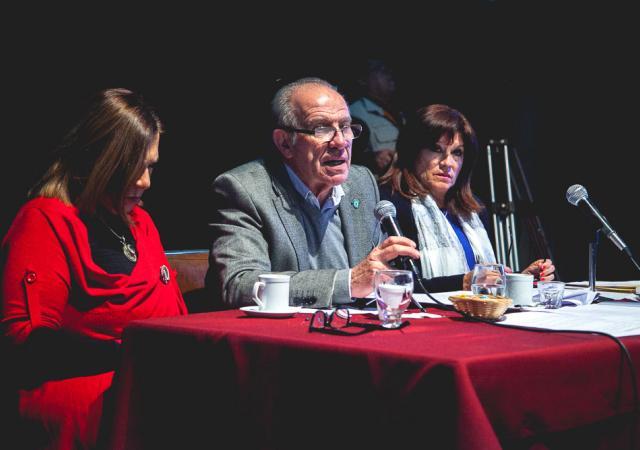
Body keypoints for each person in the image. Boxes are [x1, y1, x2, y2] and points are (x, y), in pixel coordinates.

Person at [0, 88, 187, 449]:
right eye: (132, 166)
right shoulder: (46, 220)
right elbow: (26, 343)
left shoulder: (141, 223)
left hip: (155, 384)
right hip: (94, 403)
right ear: (97, 158)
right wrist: (129, 353)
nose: (145, 181)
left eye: (150, 166)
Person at [207, 77, 420, 309]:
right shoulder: (245, 189)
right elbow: (239, 285)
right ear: (285, 143)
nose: (340, 142)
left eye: (345, 127)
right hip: (286, 330)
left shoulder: (361, 182)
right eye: (322, 128)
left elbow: (375, 274)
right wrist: (347, 282)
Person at [379, 104, 555, 293]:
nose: (448, 163)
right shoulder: (391, 205)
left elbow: (482, 280)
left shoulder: (474, 210)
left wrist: (519, 279)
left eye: (457, 153)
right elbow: (390, 283)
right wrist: (463, 283)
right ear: (412, 151)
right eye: (436, 149)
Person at [349, 59, 404, 178]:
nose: (389, 74)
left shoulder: (398, 113)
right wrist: (371, 159)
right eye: (381, 70)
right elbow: (349, 156)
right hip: (379, 184)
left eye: (389, 70)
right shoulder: (354, 113)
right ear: (363, 79)